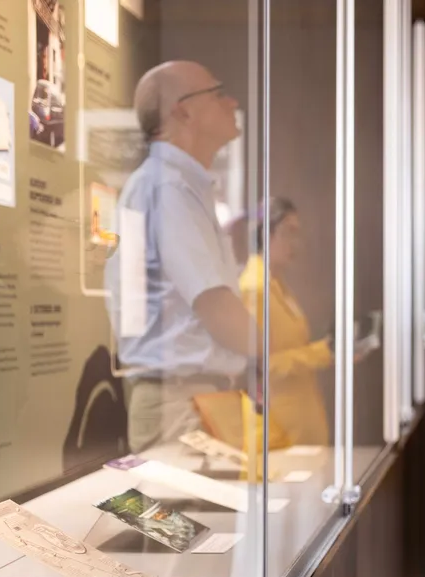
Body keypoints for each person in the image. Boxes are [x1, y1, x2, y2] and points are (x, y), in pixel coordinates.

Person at [105, 61, 259, 452]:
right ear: (184, 109)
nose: (232, 102)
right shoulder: (168, 187)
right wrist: (285, 351)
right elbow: (217, 308)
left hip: (193, 399)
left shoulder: (174, 185)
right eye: (218, 93)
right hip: (182, 405)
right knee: (200, 512)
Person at [237, 197, 333, 447]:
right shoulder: (254, 289)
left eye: (297, 234)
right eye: (289, 233)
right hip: (277, 435)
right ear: (264, 233)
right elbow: (259, 367)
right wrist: (323, 352)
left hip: (299, 431)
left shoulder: (276, 285)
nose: (296, 243)